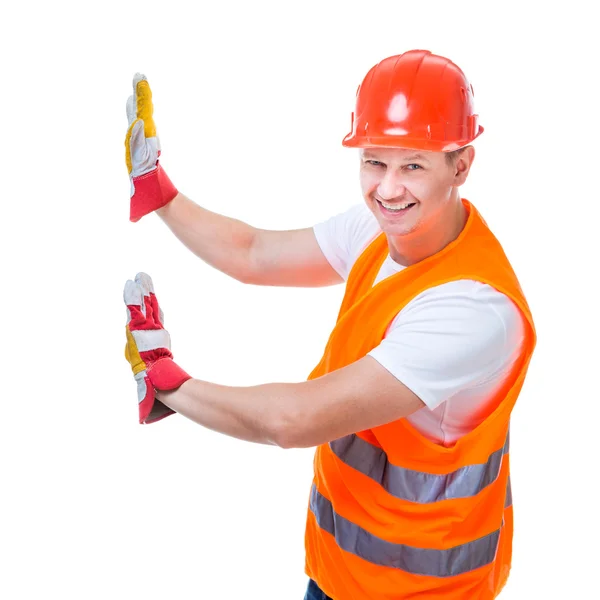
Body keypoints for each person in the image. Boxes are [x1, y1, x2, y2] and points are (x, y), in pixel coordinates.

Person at [122, 49, 537, 599]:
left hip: (422, 591)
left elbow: (294, 420)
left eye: (413, 164)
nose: (388, 189)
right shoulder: (384, 228)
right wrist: (157, 191)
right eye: (374, 162)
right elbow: (255, 253)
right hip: (339, 567)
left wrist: (168, 383)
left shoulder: (472, 309)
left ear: (460, 165)